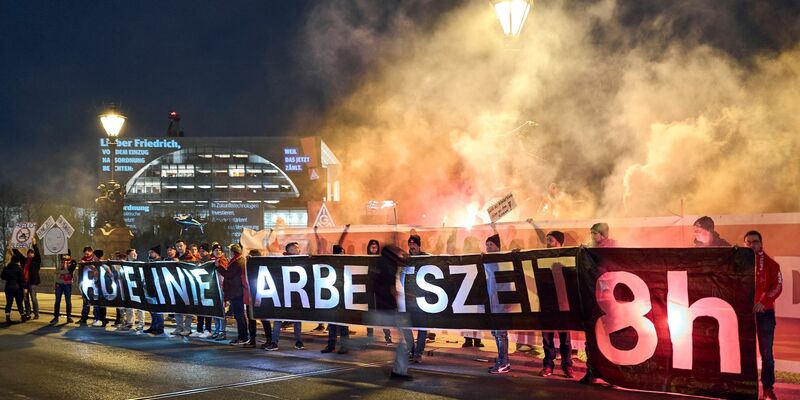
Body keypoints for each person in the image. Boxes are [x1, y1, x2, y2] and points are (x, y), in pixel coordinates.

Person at [744, 231, 782, 400]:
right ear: (745, 244)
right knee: (743, 352)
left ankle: (767, 389)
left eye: (755, 242)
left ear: (761, 243)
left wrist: (763, 301)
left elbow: (778, 287)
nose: (752, 245)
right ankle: (742, 388)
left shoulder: (772, 264)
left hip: (765, 314)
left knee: (766, 354)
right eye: (749, 242)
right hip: (743, 316)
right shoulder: (736, 264)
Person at [581, 224, 616, 385]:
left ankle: (613, 374)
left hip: (609, 298)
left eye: (595, 233)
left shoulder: (612, 248)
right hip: (593, 296)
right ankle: (591, 371)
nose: (593, 236)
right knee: (592, 335)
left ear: (603, 234)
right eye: (591, 233)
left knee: (609, 336)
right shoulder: (590, 249)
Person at [539, 231, 574, 378]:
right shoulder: (540, 258)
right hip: (546, 303)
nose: (548, 243)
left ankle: (567, 366)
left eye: (551, 240)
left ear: (559, 243)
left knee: (565, 337)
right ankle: (548, 365)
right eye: (547, 240)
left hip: (562, 303)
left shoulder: (566, 259)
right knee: (547, 337)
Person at [266, 242, 305, 351]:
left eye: (298, 248)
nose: (297, 250)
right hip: (283, 296)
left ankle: (298, 341)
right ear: (288, 250)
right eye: (294, 248)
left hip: (297, 296)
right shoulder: (281, 261)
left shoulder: (304, 261)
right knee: (278, 319)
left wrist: (311, 259)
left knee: (297, 319)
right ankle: (274, 342)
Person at [485, 233, 510, 374]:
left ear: (498, 247)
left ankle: (503, 363)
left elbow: (506, 283)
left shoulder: (502, 262)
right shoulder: (487, 262)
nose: (488, 248)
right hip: (492, 303)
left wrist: (506, 301)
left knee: (501, 334)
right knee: (496, 333)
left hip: (500, 303)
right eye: (487, 245)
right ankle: (503, 361)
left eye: (491, 245)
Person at [404, 234, 430, 364]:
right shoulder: (404, 258)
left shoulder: (426, 258)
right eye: (410, 244)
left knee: (422, 326)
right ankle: (411, 350)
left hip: (422, 298)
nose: (412, 246)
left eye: (414, 244)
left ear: (419, 245)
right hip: (407, 298)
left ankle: (418, 353)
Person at [217, 244, 250, 345]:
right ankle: (242, 336)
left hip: (237, 292)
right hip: (236, 291)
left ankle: (243, 337)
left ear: (232, 252)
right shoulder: (238, 260)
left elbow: (229, 274)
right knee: (239, 315)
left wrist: (219, 267)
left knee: (239, 315)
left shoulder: (237, 262)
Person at [322, 244, 350, 354]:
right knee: (332, 323)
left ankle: (343, 346)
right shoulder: (331, 263)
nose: (342, 255)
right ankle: (331, 345)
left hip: (343, 296)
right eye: (340, 253)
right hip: (333, 297)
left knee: (342, 322)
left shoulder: (346, 263)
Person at [365, 239, 393, 346]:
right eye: (371, 245)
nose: (373, 247)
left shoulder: (382, 261)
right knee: (370, 315)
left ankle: (388, 337)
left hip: (381, 293)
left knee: (383, 315)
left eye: (375, 245)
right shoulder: (364, 260)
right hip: (370, 291)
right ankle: (370, 337)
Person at [171, 239, 196, 336]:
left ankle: (187, 328)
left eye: (181, 245)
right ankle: (179, 327)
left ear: (185, 246)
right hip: (176, 285)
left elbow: (191, 268)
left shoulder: (191, 257)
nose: (179, 248)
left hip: (187, 286)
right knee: (177, 308)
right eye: (177, 246)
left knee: (188, 309)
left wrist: (180, 262)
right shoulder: (175, 257)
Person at [13, 239, 41, 320]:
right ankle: (28, 313)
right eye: (29, 253)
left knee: (33, 298)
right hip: (25, 283)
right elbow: (18, 254)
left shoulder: (36, 261)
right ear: (27, 254)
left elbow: (38, 254)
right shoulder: (24, 261)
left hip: (32, 283)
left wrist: (34, 244)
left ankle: (36, 313)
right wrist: (13, 246)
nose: (30, 254)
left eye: (32, 253)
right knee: (25, 299)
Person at [191, 243, 214, 338]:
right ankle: (199, 329)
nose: (201, 253)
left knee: (207, 310)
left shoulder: (210, 261)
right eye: (200, 251)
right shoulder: (199, 261)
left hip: (208, 288)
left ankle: (208, 329)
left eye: (203, 251)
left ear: (208, 252)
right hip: (200, 288)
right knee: (200, 310)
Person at [51, 250, 77, 324]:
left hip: (67, 284)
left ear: (69, 255)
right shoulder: (59, 262)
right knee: (57, 301)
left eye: (66, 255)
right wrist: (54, 285)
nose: (64, 256)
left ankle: (69, 317)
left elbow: (69, 271)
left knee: (68, 301)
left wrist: (59, 271)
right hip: (58, 284)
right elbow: (55, 272)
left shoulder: (73, 262)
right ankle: (56, 317)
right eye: (63, 255)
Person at [143, 246, 165, 335]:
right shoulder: (150, 262)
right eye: (149, 253)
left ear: (157, 253)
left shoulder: (161, 262)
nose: (150, 254)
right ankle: (153, 326)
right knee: (152, 309)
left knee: (158, 309)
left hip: (158, 289)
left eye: (151, 252)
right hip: (149, 287)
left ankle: (159, 328)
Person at [2, 249, 27, 323]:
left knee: (9, 302)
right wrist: (25, 287)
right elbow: (22, 279)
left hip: (8, 287)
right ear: (17, 261)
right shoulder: (19, 269)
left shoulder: (6, 267)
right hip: (17, 288)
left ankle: (7, 316)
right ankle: (22, 316)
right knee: (19, 302)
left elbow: (3, 277)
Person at [211, 244, 229, 341]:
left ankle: (222, 331)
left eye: (219, 250)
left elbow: (226, 273)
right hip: (213, 288)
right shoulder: (211, 261)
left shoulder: (223, 260)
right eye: (215, 250)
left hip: (221, 288)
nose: (218, 252)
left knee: (221, 311)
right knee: (215, 311)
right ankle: (217, 330)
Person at [89, 249, 108, 327]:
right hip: (99, 286)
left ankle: (101, 319)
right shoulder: (97, 264)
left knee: (100, 304)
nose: (93, 257)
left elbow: (109, 272)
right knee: (99, 304)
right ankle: (101, 319)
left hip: (101, 287)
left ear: (96, 256)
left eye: (93, 255)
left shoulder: (102, 264)